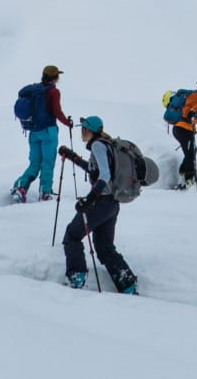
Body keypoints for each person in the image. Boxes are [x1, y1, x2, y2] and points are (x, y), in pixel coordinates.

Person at [57, 115, 137, 293]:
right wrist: (73, 157)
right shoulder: (106, 145)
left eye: (82, 128)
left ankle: (76, 276)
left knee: (72, 235)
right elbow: (96, 170)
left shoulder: (98, 146)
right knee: (104, 247)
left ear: (88, 130)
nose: (81, 132)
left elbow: (104, 175)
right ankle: (127, 283)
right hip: (112, 205)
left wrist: (90, 198)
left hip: (101, 202)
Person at [11, 64, 74, 204]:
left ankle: (20, 187)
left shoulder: (34, 90)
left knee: (34, 163)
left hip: (33, 132)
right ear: (55, 77)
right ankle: (45, 192)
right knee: (47, 163)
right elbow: (57, 111)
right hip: (48, 131)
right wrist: (67, 123)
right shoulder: (53, 92)